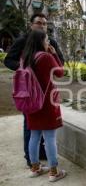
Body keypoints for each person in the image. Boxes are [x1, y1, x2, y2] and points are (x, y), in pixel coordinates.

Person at [4, 13, 64, 168]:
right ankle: (41, 164)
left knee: (35, 131)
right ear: (31, 25)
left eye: (44, 23)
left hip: (33, 94)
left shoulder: (49, 43)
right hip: (33, 93)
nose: (42, 26)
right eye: (38, 23)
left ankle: (37, 162)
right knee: (36, 131)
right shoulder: (23, 42)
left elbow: (60, 61)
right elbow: (59, 70)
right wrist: (26, 72)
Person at [21, 29, 66, 181]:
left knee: (34, 135)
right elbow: (60, 72)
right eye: (46, 40)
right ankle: (54, 172)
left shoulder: (25, 58)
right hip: (46, 103)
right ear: (41, 42)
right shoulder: (46, 57)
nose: (48, 43)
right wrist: (54, 54)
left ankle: (35, 168)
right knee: (50, 137)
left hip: (30, 102)